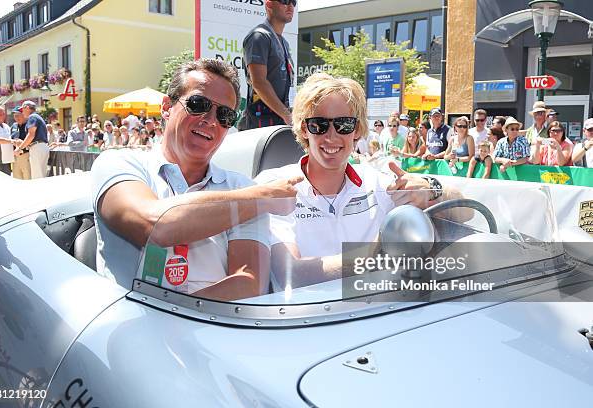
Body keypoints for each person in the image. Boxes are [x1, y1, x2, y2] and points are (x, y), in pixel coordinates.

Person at [91, 58, 299, 301]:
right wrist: (264, 197)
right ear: (167, 107)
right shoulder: (120, 163)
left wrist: (176, 318)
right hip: (133, 329)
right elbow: (155, 225)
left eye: (224, 115)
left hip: (211, 330)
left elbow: (249, 283)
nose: (211, 120)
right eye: (198, 104)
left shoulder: (242, 188)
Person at [255, 73, 467, 289]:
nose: (331, 136)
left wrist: (432, 190)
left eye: (344, 124)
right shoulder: (275, 185)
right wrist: (377, 253)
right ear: (303, 128)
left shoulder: (376, 182)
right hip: (305, 318)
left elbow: (467, 212)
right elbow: (292, 273)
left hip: (378, 314)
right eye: (318, 125)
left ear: (357, 130)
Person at [240, 0, 295, 129]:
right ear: (269, 5)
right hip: (261, 122)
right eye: (285, 1)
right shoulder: (259, 36)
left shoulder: (284, 42)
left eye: (294, 2)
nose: (290, 6)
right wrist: (287, 115)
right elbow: (259, 82)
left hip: (279, 120)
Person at [14, 100, 49, 179]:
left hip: (37, 147)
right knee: (41, 175)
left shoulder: (32, 117)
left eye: (22, 109)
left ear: (27, 108)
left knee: (37, 177)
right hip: (41, 147)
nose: (22, 112)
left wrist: (19, 148)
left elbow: (31, 135)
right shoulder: (37, 116)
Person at [11, 106, 31, 180]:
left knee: (28, 177)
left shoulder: (29, 125)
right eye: (15, 116)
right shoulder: (13, 126)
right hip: (15, 157)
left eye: (18, 115)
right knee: (17, 178)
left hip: (26, 155)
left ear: (23, 114)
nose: (16, 118)